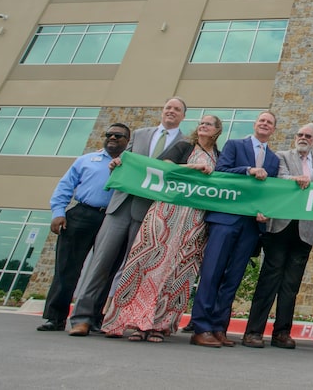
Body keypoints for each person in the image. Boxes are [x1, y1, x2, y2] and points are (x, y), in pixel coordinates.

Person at [69, 98, 188, 336]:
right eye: (168, 107)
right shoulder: (141, 134)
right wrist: (117, 164)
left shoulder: (186, 144)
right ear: (162, 111)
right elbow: (125, 160)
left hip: (150, 212)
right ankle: (82, 318)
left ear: (183, 116)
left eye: (177, 109)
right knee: (101, 263)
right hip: (121, 205)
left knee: (132, 269)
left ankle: (115, 320)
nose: (171, 111)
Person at [102, 115, 223, 342]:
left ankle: (160, 324)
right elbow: (163, 167)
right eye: (201, 123)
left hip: (194, 219)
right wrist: (191, 167)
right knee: (148, 262)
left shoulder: (218, 156)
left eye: (209, 123)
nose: (203, 125)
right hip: (166, 212)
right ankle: (135, 322)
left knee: (180, 270)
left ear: (217, 130)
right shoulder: (184, 146)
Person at [189, 110, 278, 348]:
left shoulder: (274, 160)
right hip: (226, 219)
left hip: (250, 226)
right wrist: (248, 170)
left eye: (270, 122)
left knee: (233, 278)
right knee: (212, 273)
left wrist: (264, 211)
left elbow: (269, 193)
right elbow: (222, 172)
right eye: (262, 120)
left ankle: (219, 327)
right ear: (255, 124)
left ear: (273, 129)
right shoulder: (234, 145)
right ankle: (201, 327)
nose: (265, 124)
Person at [37, 124, 131, 332]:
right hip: (81, 215)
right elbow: (65, 185)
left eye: (119, 135)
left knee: (104, 271)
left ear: (128, 141)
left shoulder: (129, 164)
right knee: (67, 268)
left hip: (111, 218)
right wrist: (58, 212)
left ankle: (93, 318)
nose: (112, 138)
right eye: (109, 135)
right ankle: (55, 317)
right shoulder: (86, 160)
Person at [242, 122, 313, 349]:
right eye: (300, 134)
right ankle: (253, 331)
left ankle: (282, 332)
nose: (303, 138)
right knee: (269, 280)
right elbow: (277, 179)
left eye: (308, 136)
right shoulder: (281, 157)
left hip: (305, 230)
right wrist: (295, 180)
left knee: (291, 285)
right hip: (279, 226)